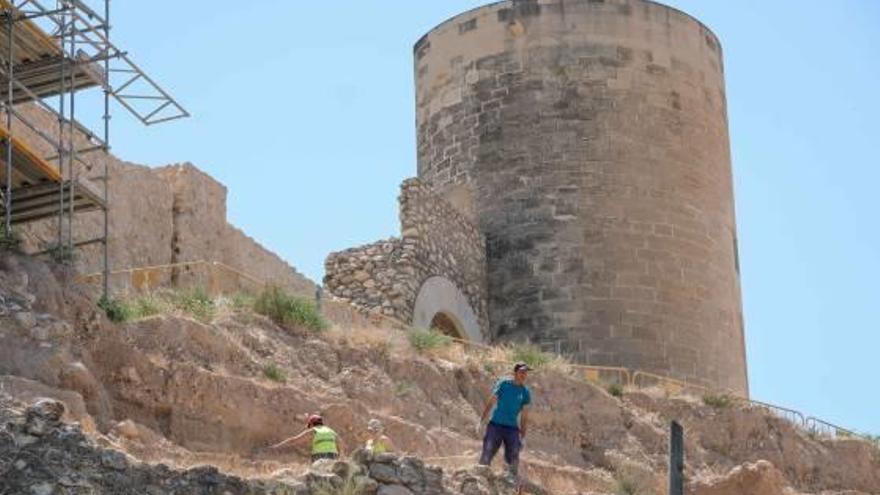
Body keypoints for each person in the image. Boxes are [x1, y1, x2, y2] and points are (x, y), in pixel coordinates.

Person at [477, 362, 532, 481]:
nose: (524, 375)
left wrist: (523, 436)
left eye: (525, 373)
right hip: (495, 425)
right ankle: (480, 478)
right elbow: (491, 402)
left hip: (512, 428)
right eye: (521, 372)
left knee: (513, 456)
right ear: (515, 373)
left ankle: (510, 483)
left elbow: (524, 417)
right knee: (488, 451)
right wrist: (481, 421)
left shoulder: (525, 393)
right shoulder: (504, 384)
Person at [268, 414, 344, 462]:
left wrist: (277, 446)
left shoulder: (313, 431)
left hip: (320, 458)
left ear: (311, 424)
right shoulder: (331, 431)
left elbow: (293, 440)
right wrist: (340, 457)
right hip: (333, 458)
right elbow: (341, 444)